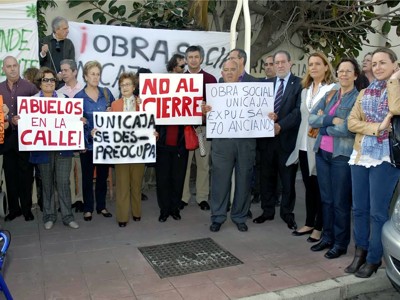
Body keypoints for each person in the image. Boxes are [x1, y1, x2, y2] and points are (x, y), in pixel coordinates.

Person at [347, 48, 400, 278]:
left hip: (385, 158)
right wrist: (377, 127)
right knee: (359, 209)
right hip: (361, 154)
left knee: (378, 213)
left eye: (383, 63)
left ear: (394, 65)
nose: (377, 67)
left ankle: (373, 258)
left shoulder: (396, 88)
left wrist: (395, 81)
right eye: (374, 63)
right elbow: (351, 122)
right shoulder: (365, 92)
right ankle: (360, 251)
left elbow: (396, 109)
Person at [308, 57, 360, 259]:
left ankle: (340, 243)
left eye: (348, 71)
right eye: (341, 71)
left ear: (355, 75)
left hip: (341, 156)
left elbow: (348, 128)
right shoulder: (330, 95)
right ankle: (327, 237)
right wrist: (330, 120)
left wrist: (324, 126)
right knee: (326, 199)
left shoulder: (357, 99)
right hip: (322, 153)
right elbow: (312, 118)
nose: (344, 74)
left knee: (340, 202)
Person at [287, 52, 336, 242]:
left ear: (326, 67)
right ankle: (309, 222)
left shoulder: (332, 89)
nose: (313, 67)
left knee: (321, 187)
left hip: (320, 145)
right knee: (309, 187)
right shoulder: (305, 90)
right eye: (310, 64)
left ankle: (320, 226)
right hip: (303, 144)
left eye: (318, 63)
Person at [203, 59, 256, 232]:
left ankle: (239, 216)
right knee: (219, 180)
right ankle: (218, 216)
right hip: (222, 143)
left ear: (239, 71)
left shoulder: (252, 89)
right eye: (226, 69)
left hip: (245, 142)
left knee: (244, 180)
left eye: (233, 69)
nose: (229, 72)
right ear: (221, 72)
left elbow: (260, 113)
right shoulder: (214, 91)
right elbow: (204, 115)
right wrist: (205, 111)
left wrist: (269, 116)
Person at [254, 50, 302, 230]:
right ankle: (267, 211)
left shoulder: (298, 84)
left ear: (290, 63)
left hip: (287, 139)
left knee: (288, 180)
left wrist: (280, 125)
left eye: (283, 62)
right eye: (277, 62)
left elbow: (297, 112)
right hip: (266, 140)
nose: (280, 65)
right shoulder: (266, 84)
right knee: (266, 177)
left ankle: (287, 214)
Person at [28, 67, 79, 230]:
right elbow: (28, 124)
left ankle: (67, 216)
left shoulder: (65, 99)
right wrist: (19, 120)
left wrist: (80, 121)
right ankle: (49, 216)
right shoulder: (33, 102)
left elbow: (72, 120)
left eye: (51, 80)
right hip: (43, 150)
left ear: (55, 83)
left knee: (64, 182)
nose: (49, 83)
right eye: (45, 80)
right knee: (47, 183)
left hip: (63, 149)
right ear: (39, 83)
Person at [74, 61, 115, 221]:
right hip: (88, 145)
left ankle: (101, 206)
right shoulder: (79, 97)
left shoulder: (106, 93)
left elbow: (115, 117)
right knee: (87, 177)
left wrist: (111, 112)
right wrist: (83, 137)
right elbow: (76, 123)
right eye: (92, 74)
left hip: (104, 144)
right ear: (85, 76)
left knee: (103, 176)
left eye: (98, 74)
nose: (95, 77)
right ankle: (88, 208)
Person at [0, 56, 38, 222]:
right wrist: (8, 117)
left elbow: (40, 109)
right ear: (3, 69)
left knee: (26, 173)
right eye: (9, 66)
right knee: (10, 173)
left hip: (25, 136)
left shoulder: (29, 87)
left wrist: (24, 118)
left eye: (15, 65)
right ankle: (14, 209)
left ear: (19, 66)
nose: (12, 69)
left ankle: (26, 209)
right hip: (6, 137)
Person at [180, 45, 217, 211]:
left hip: (202, 129)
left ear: (201, 59)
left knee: (203, 164)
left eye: (196, 57)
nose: (193, 60)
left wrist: (207, 109)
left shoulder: (210, 79)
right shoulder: (178, 79)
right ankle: (184, 197)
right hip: (185, 130)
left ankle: (202, 197)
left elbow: (216, 106)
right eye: (190, 57)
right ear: (186, 60)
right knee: (185, 165)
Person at [155, 55, 188, 222]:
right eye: (182, 67)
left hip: (181, 143)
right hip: (162, 143)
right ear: (173, 67)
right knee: (162, 179)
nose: (184, 70)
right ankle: (164, 209)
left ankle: (175, 208)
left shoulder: (190, 86)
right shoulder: (160, 85)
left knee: (178, 178)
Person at [110, 72, 145, 227]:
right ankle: (122, 217)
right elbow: (110, 127)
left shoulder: (143, 103)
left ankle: (137, 212)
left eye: (128, 84)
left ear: (134, 87)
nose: (125, 87)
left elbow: (149, 124)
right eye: (122, 84)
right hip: (121, 150)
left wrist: (153, 135)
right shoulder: (115, 105)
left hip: (139, 149)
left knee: (136, 184)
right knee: (122, 184)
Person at [58, 59, 84, 212]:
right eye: (61, 70)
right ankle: (69, 200)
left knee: (79, 169)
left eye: (66, 70)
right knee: (66, 170)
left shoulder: (84, 90)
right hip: (65, 137)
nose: (63, 73)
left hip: (81, 136)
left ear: (74, 71)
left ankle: (80, 199)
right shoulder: (59, 93)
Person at [39, 16, 75, 82]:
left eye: (67, 28)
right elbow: (38, 62)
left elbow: (72, 63)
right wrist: (43, 53)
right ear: (56, 30)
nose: (67, 31)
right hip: (47, 81)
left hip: (63, 82)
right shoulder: (44, 41)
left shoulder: (69, 43)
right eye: (65, 29)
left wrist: (62, 74)